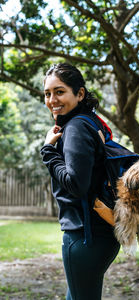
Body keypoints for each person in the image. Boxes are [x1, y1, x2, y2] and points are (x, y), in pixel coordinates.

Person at [40, 63, 120, 300]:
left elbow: (76, 184)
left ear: (80, 93)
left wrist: (47, 150)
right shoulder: (90, 122)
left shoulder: (75, 128)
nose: (52, 99)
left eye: (60, 91)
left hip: (85, 237)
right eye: (47, 93)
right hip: (99, 234)